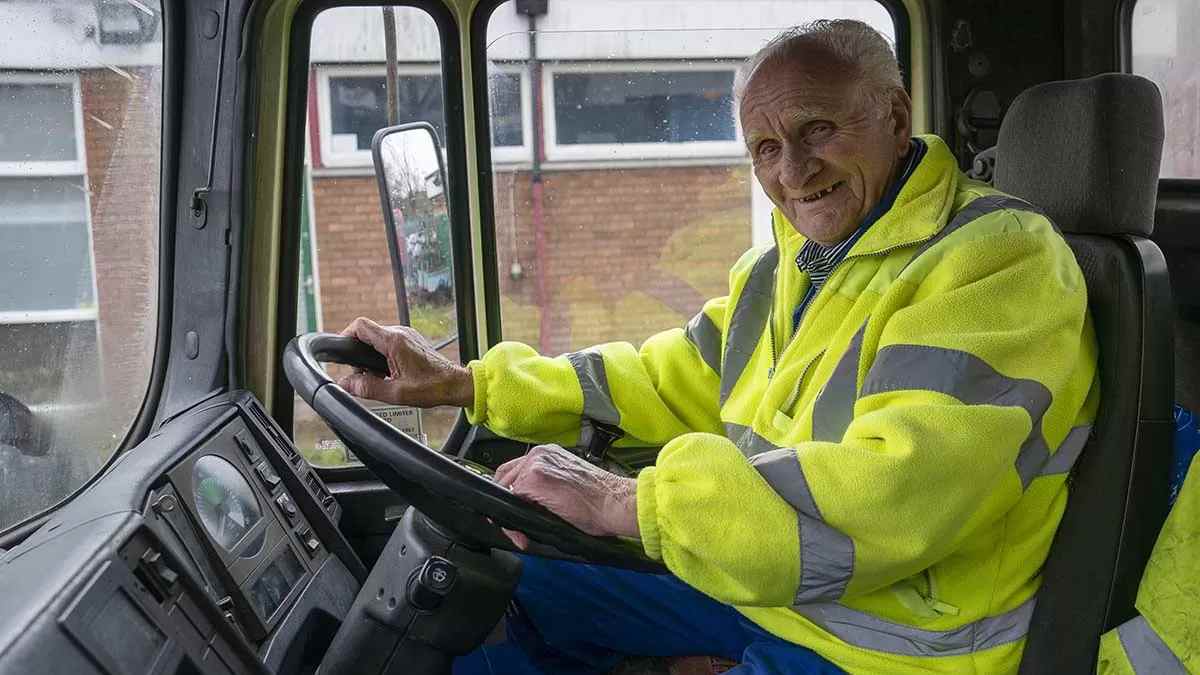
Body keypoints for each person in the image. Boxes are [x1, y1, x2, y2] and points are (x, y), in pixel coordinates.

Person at [339, 19, 1099, 675]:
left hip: (889, 644)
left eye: (817, 131)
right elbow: (672, 377)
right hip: (771, 590)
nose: (792, 172)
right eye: (765, 148)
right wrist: (468, 385)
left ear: (896, 117)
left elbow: (900, 490)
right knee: (499, 583)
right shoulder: (789, 267)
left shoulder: (998, 260)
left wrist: (623, 500)